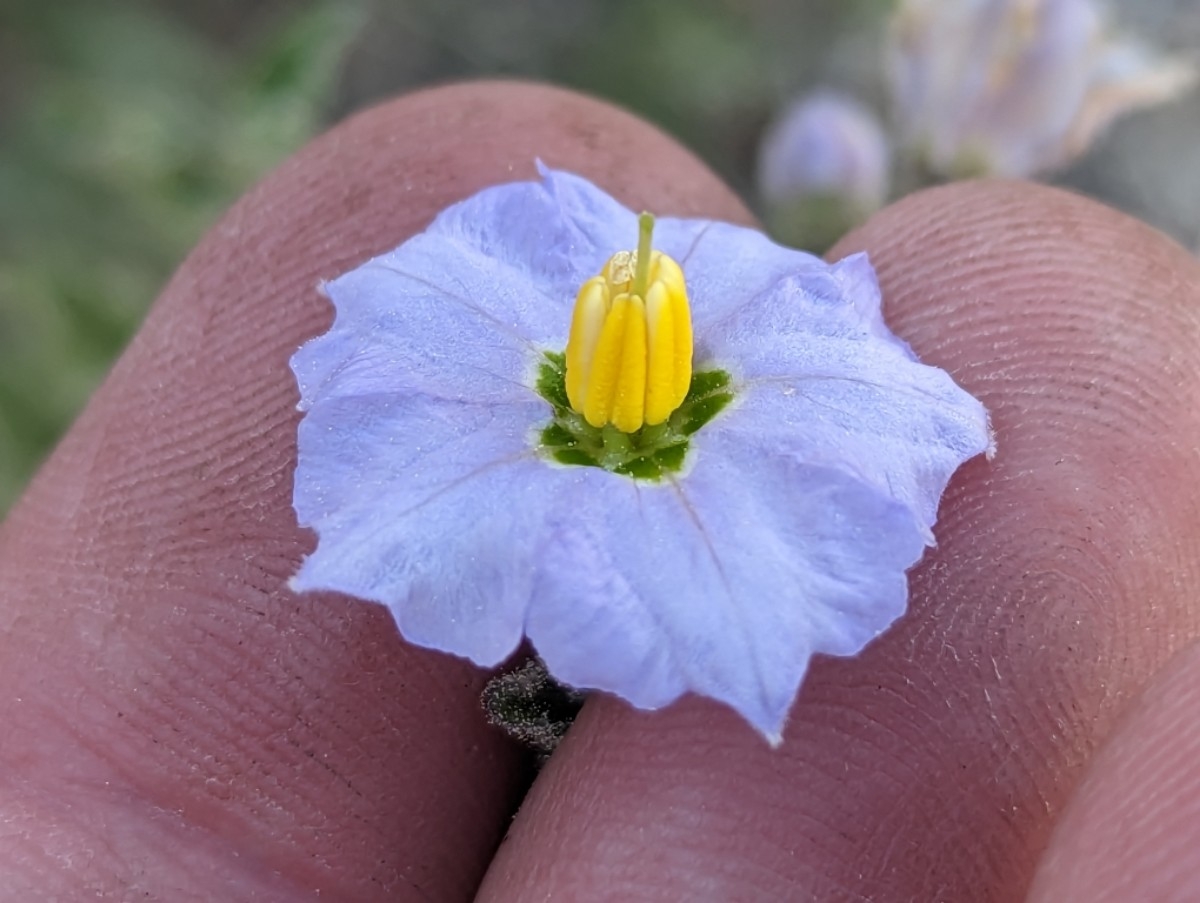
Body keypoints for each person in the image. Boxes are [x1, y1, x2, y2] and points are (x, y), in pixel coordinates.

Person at [1, 81, 1197, 901]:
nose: (637, 283)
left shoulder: (790, 360)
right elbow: (387, 515)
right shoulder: (516, 327)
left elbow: (907, 420)